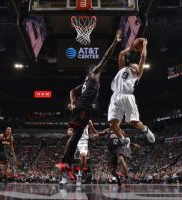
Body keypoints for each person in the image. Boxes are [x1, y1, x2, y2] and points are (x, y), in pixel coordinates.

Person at [56, 30, 122, 182]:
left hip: (82, 107)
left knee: (76, 135)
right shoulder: (93, 75)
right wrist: (115, 41)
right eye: (98, 69)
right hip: (83, 107)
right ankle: (65, 164)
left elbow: (72, 91)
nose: (100, 71)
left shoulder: (86, 81)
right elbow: (105, 57)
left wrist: (73, 102)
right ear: (93, 71)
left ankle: (66, 164)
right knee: (76, 135)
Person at [108, 38, 155, 144]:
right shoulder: (122, 69)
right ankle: (124, 140)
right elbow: (121, 54)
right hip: (115, 96)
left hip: (127, 96)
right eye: (134, 64)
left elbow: (143, 57)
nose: (135, 64)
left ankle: (146, 130)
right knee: (112, 125)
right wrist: (132, 48)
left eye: (137, 65)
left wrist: (144, 45)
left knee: (134, 122)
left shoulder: (137, 74)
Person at [59, 120, 96, 186]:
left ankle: (79, 176)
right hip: (74, 139)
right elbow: (68, 132)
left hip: (83, 141)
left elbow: (92, 132)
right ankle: (64, 178)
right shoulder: (74, 120)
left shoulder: (89, 121)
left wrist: (95, 135)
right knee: (66, 157)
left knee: (84, 157)